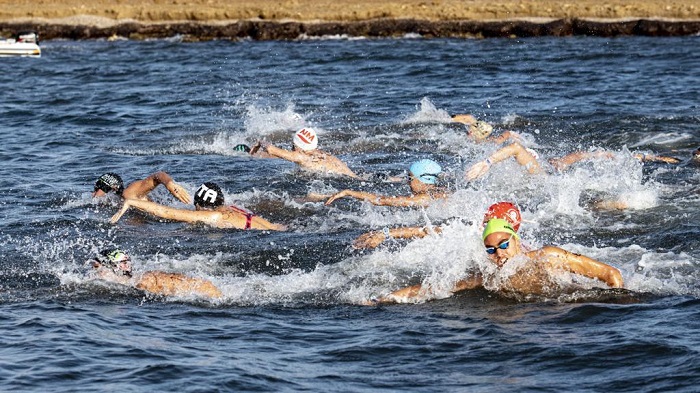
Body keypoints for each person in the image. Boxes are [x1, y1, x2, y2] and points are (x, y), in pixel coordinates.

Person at [368, 216, 624, 304]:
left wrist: (620, 305)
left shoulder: (549, 257)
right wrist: (383, 298)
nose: (499, 254)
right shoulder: (489, 278)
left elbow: (611, 274)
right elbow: (432, 289)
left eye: (504, 245)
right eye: (491, 250)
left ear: (516, 240)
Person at [110, 182, 286, 231]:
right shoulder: (234, 208)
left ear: (201, 205)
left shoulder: (212, 216)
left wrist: (132, 202)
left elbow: (168, 213)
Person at [352, 201, 522, 249]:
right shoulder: (469, 234)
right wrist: (386, 233)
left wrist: (386, 234)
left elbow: (426, 231)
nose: (481, 224)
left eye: (486, 222)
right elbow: (428, 231)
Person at [466, 143, 682, 181]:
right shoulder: (558, 163)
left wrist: (487, 161)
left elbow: (515, 148)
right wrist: (649, 157)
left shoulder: (536, 173)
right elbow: (584, 155)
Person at [90, 249, 222, 298]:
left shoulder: (142, 283)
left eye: (99, 269)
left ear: (117, 267)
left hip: (209, 294)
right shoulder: (138, 279)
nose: (96, 274)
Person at [325, 159, 449, 208]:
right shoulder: (441, 191)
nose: (407, 182)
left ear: (424, 179)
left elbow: (382, 200)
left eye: (410, 178)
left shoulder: (423, 198)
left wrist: (348, 192)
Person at [251, 128, 362, 179]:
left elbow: (271, 149)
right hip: (357, 179)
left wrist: (260, 142)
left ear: (297, 145)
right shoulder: (322, 154)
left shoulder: (301, 156)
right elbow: (280, 155)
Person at [92, 171, 191, 205]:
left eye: (97, 189)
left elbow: (158, 175)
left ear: (111, 189)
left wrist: (170, 185)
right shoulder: (118, 201)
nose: (93, 194)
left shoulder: (128, 193)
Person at [452, 114, 521, 144]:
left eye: (470, 132)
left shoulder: (488, 141)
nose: (469, 133)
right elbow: (469, 117)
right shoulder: (468, 139)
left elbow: (506, 134)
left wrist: (510, 134)